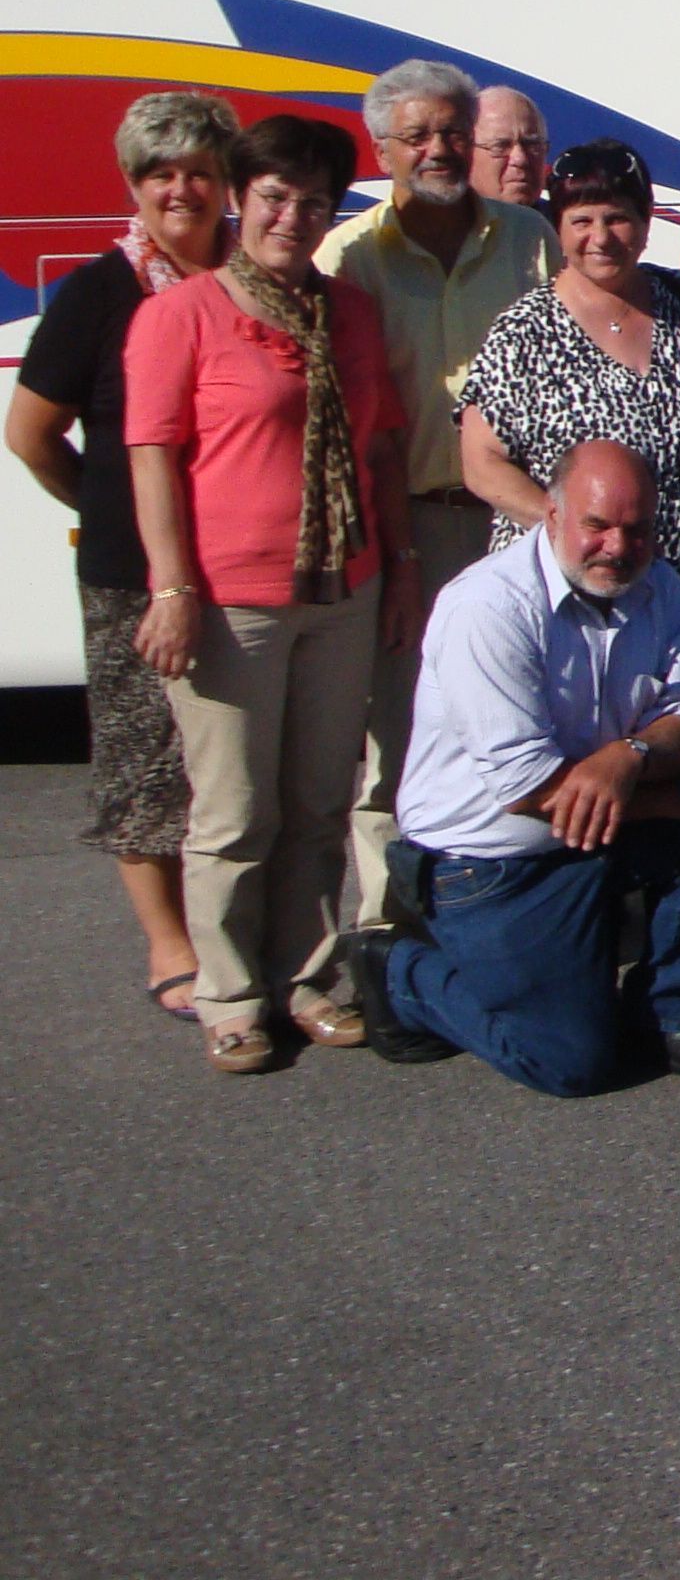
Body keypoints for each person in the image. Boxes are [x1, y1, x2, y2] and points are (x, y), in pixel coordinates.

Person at [124, 113, 415, 1074]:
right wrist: (170, 587)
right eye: (276, 197)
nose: (293, 217)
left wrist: (400, 568)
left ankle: (305, 977)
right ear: (241, 201)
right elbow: (154, 457)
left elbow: (376, 449)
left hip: (344, 587)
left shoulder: (351, 313)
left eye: (315, 202)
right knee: (235, 812)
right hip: (232, 601)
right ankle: (230, 995)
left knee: (321, 801)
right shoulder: (183, 315)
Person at [356, 440, 680, 1094]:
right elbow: (529, 792)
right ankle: (399, 974)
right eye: (597, 525)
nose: (618, 546)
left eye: (637, 529)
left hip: (596, 832)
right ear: (551, 517)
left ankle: (671, 1011)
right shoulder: (488, 609)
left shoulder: (661, 586)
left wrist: (629, 754)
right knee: (566, 1062)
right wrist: (665, 798)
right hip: (492, 862)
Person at [6, 90, 239, 1019]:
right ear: (132, 185)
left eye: (197, 170)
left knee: (233, 768)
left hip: (242, 564)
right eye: (158, 173)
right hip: (133, 578)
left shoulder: (254, 274)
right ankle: (170, 945)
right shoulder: (98, 295)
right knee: (145, 763)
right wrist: (110, 514)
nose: (179, 189)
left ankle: (240, 934)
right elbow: (32, 435)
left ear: (226, 179)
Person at [317, 57, 558, 932]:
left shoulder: (532, 237)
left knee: (530, 721)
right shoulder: (347, 258)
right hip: (406, 524)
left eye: (452, 131)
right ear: (382, 149)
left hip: (519, 523)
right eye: (416, 135)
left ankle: (519, 912)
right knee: (399, 738)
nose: (439, 149)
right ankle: (395, 929)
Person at [459, 140, 680, 690]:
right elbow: (482, 464)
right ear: (558, 227)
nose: (601, 237)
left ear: (646, 224)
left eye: (618, 218)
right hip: (580, 596)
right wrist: (572, 533)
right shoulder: (524, 330)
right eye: (582, 220)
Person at [472, 86, 550, 209]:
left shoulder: (564, 224)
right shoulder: (436, 224)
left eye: (532, 145)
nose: (520, 159)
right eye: (500, 146)